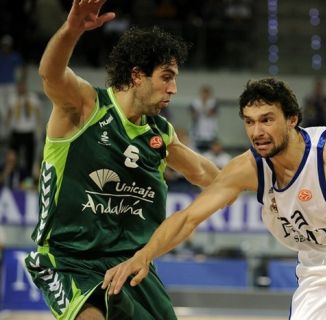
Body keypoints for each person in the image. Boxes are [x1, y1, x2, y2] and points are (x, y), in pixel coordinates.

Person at [103, 77, 326, 320]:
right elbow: (189, 218)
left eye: (267, 120)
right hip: (316, 267)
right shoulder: (247, 169)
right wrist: (143, 256)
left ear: (292, 119)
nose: (257, 131)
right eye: (249, 122)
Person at [23, 1, 220, 320]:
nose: (174, 89)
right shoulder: (86, 107)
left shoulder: (159, 133)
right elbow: (51, 75)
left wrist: (265, 175)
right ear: (137, 74)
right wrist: (71, 30)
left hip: (132, 264)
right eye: (167, 77)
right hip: (69, 260)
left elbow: (207, 175)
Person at [0, 79, 42, 189]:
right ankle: (10, 178)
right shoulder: (13, 99)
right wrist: (6, 129)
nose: (21, 88)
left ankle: (27, 180)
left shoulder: (32, 97)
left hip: (29, 131)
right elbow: (9, 114)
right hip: (16, 132)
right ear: (17, 87)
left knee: (29, 157)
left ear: (26, 87)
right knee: (12, 157)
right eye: (19, 86)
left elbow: (38, 113)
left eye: (23, 86)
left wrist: (39, 129)